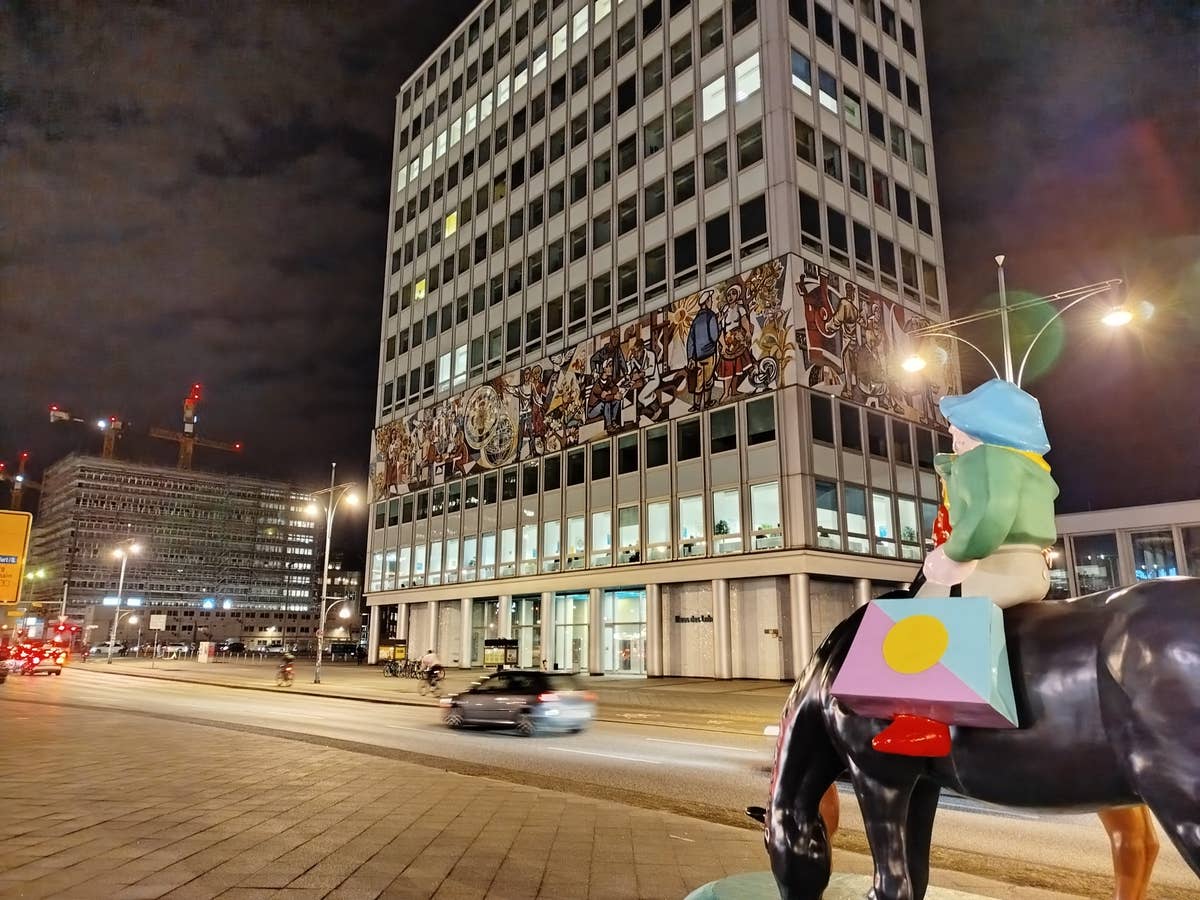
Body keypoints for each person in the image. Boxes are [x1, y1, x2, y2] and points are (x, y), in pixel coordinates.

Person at [869, 378, 1060, 756]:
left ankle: (924, 721)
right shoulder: (1029, 466)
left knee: (924, 611)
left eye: (959, 423)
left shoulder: (991, 459)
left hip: (1001, 563)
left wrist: (953, 554)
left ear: (984, 426)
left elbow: (991, 515)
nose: (952, 431)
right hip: (1029, 565)